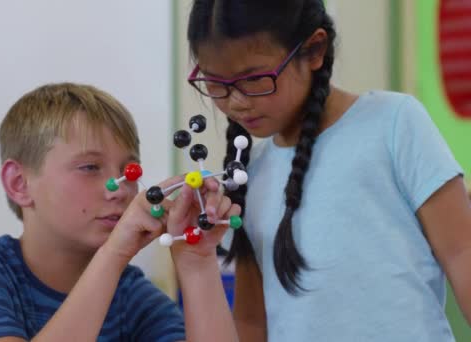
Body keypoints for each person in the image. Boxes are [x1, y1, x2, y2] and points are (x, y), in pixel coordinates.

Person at [185, 0, 471, 340]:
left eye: (254, 79)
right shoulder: (248, 175)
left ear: (314, 50)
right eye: (216, 84)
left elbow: (462, 253)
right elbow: (251, 321)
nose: (236, 102)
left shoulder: (394, 123)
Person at [0, 82, 240, 341]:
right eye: (89, 167)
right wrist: (115, 252)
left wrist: (197, 263)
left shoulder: (132, 298)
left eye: (129, 171)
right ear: (19, 183)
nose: (118, 188)